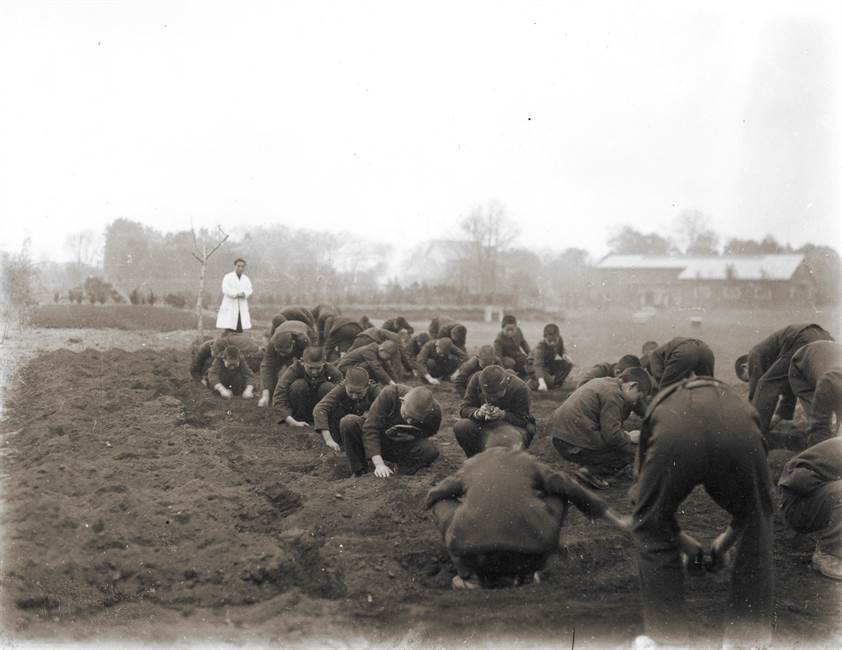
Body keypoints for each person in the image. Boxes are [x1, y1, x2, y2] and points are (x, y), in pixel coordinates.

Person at [631, 377, 774, 647]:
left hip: (675, 432)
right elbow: (757, 504)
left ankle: (667, 639)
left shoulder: (661, 407)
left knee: (648, 525)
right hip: (738, 428)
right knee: (759, 519)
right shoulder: (738, 402)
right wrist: (726, 542)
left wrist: (681, 541)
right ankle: (747, 639)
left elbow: (647, 505)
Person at [426, 443, 631, 590]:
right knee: (559, 492)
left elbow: (434, 495)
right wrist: (617, 519)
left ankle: (470, 578)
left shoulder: (474, 464)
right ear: (517, 445)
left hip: (474, 555)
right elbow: (570, 486)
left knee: (440, 502)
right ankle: (527, 574)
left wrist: (471, 501)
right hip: (527, 554)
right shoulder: (527, 462)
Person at [548, 367, 651, 489]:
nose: (636, 403)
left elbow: (639, 407)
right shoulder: (614, 396)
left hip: (561, 437)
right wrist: (629, 437)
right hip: (573, 445)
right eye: (638, 397)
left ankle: (593, 463)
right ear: (633, 385)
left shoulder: (608, 383)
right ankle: (592, 471)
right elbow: (612, 437)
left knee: (620, 443)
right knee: (633, 451)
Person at [742, 324, 835, 435]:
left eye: (747, 378)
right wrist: (777, 418)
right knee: (808, 386)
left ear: (744, 366)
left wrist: (751, 422)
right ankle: (823, 428)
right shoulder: (775, 358)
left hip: (803, 337)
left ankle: (755, 433)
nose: (750, 379)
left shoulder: (755, 353)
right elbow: (788, 382)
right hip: (826, 338)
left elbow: (758, 388)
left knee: (766, 383)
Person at [340, 384, 441, 478]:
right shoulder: (390, 394)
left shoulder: (434, 411)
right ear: (402, 401)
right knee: (349, 422)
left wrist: (413, 435)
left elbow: (431, 431)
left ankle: (401, 472)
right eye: (406, 415)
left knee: (430, 450)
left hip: (404, 445)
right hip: (380, 439)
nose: (409, 422)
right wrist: (379, 464)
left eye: (415, 420)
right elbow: (371, 427)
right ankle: (360, 471)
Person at [778, 437, 842, 580]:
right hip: (796, 509)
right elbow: (794, 478)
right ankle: (827, 553)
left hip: (808, 502)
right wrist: (827, 489)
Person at [454, 365, 535, 458]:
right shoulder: (477, 379)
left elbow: (523, 420)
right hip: (484, 424)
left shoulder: (520, 388)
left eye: (496, 394)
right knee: (462, 426)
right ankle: (476, 460)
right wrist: (477, 413)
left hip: (510, 426)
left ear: (506, 384)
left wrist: (503, 414)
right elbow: (465, 408)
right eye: (488, 395)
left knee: (510, 438)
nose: (492, 398)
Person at [313, 367, 382, 452]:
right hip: (343, 427)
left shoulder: (375, 390)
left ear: (367, 386)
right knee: (334, 408)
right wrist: (328, 440)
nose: (354, 396)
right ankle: (340, 444)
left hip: (365, 428)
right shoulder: (341, 388)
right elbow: (320, 408)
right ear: (345, 384)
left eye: (359, 393)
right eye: (351, 392)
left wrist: (370, 414)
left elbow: (385, 412)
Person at [787, 341, 842, 445]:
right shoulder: (830, 381)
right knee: (818, 421)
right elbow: (819, 426)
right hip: (801, 363)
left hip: (828, 354)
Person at [272, 346, 342, 428]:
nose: (314, 372)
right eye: (310, 368)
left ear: (324, 362)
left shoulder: (332, 371)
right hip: (300, 409)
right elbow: (279, 394)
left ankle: (326, 419)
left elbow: (343, 394)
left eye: (318, 368)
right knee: (298, 385)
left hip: (322, 410)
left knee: (328, 387)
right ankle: (299, 419)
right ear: (302, 362)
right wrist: (290, 420)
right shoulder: (294, 369)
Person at [258, 320, 314, 406]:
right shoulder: (271, 345)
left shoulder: (303, 341)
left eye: (284, 352)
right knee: (272, 378)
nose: (282, 355)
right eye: (279, 352)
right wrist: (265, 395)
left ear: (293, 344)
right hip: (283, 330)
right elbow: (267, 367)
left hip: (303, 331)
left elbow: (310, 363)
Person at [647, 336, 714, 391]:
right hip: (705, 349)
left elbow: (661, 380)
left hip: (685, 351)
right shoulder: (664, 350)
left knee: (666, 391)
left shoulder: (654, 355)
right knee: (708, 386)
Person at [190, 333, 261, 384]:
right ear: (212, 349)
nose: (217, 356)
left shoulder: (231, 348)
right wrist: (201, 380)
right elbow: (194, 369)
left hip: (251, 352)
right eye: (216, 354)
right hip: (199, 361)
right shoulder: (204, 349)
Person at [526, 323, 573, 392]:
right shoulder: (540, 348)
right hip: (533, 366)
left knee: (568, 364)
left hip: (547, 364)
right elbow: (537, 365)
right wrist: (541, 382)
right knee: (549, 382)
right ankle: (534, 382)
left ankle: (554, 384)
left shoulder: (560, 340)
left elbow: (561, 349)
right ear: (544, 338)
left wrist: (565, 355)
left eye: (555, 340)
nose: (552, 343)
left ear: (558, 337)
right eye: (549, 341)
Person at [215, 258, 253, 333]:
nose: (240, 268)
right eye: (238, 266)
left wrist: (244, 294)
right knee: (230, 325)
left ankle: (238, 341)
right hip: (230, 304)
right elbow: (225, 289)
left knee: (240, 324)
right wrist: (235, 294)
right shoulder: (228, 277)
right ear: (234, 266)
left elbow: (249, 290)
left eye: (242, 266)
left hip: (241, 305)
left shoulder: (246, 279)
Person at [575, 354, 641, 389]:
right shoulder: (600, 371)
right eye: (627, 380)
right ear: (617, 372)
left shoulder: (621, 376)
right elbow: (581, 387)